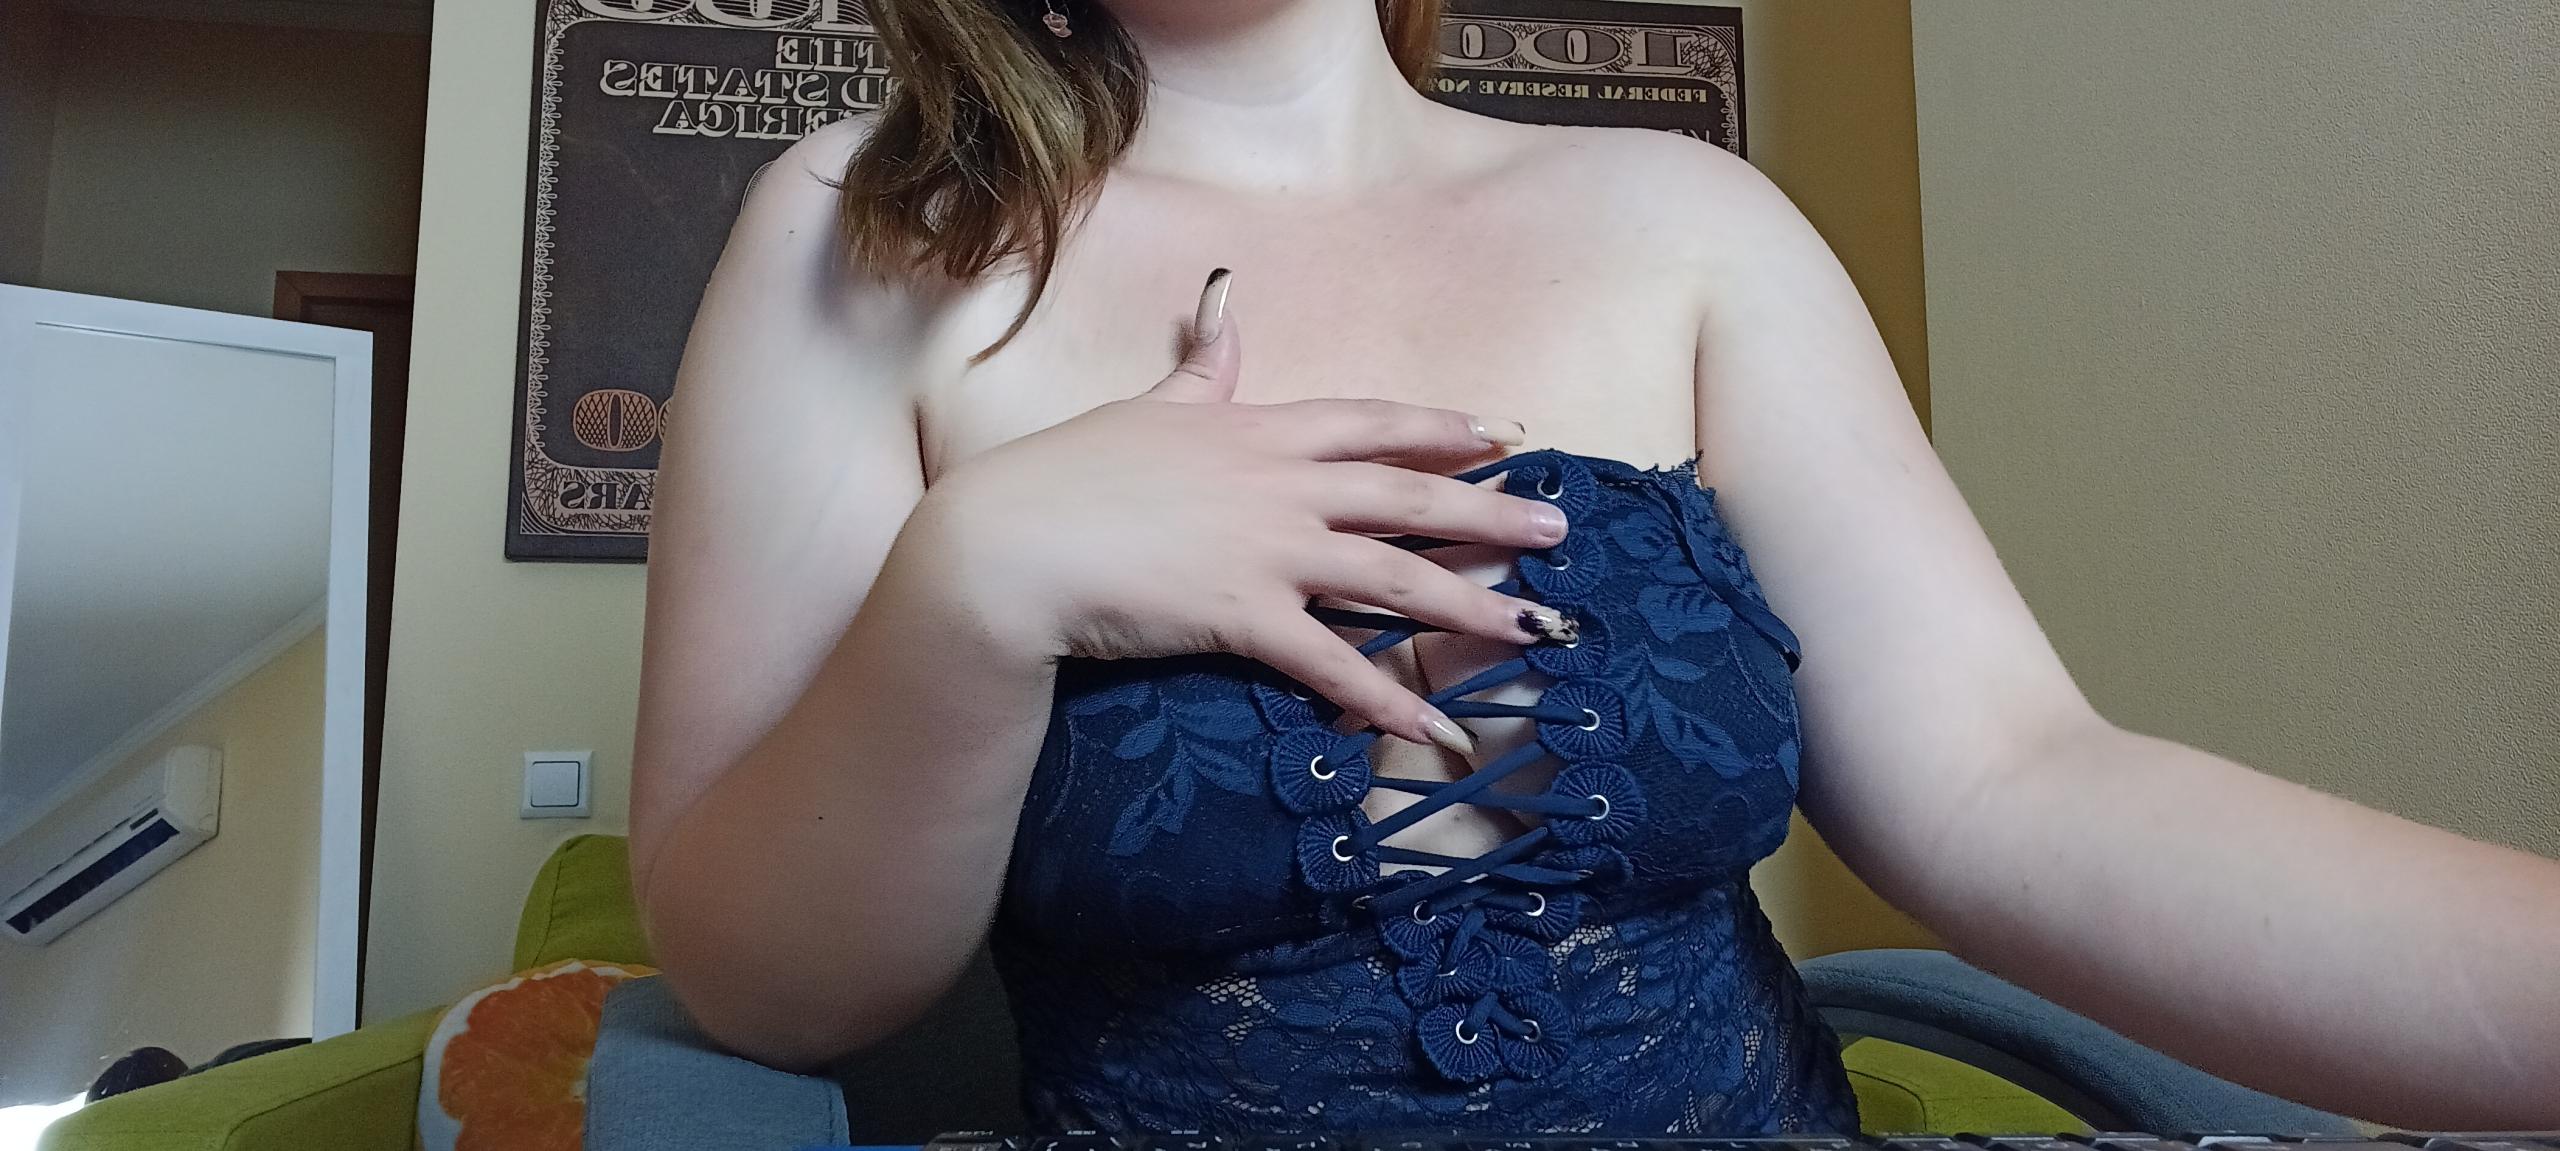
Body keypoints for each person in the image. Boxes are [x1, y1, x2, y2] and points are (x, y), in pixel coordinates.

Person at [627, 0, 2560, 1136]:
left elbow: (2016, 789)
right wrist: (974, 586)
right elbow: (771, 989)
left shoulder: (1690, 223)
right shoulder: (858, 234)